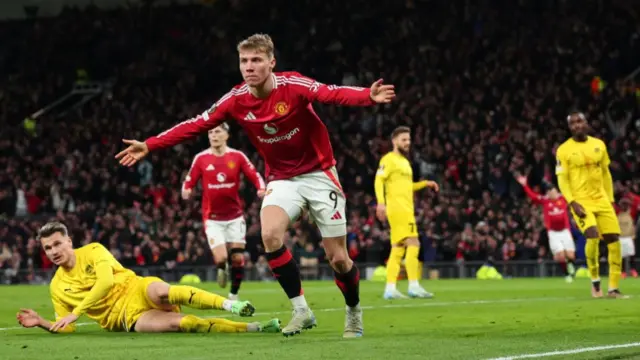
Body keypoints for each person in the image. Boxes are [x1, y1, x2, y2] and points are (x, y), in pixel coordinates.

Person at [115, 33, 395, 338]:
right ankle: (301, 310)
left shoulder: (293, 86)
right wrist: (151, 145)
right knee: (270, 235)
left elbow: (331, 92)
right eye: (244, 61)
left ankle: (353, 310)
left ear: (271, 63)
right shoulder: (235, 99)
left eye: (256, 60)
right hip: (282, 179)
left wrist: (367, 96)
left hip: (319, 174)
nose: (249, 67)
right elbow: (197, 123)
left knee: (338, 259)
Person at [17, 221, 281, 334]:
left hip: (136, 289)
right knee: (186, 324)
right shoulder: (57, 287)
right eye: (48, 248)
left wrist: (78, 312)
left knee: (164, 291)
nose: (53, 251)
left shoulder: (94, 250)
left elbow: (106, 282)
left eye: (57, 244)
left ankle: (230, 305)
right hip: (126, 318)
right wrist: (42, 321)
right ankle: (255, 327)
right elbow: (69, 326)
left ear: (69, 241)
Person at [182, 123, 266, 299]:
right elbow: (189, 179)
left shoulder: (237, 156)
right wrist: (187, 189)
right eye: (211, 132)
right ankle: (222, 268)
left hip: (235, 217)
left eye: (218, 131)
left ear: (226, 135)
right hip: (212, 219)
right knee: (221, 258)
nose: (214, 135)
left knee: (237, 258)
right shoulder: (201, 158)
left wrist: (260, 188)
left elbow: (254, 174)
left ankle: (233, 294)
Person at [555, 111, 625, 298]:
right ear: (569, 127)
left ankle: (613, 288)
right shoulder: (563, 150)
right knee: (592, 237)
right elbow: (563, 180)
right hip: (581, 201)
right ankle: (595, 283)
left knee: (614, 241)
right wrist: (572, 202)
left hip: (602, 200)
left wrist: (610, 199)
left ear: (586, 123)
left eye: (580, 122)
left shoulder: (599, 145)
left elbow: (605, 174)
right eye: (573, 123)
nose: (577, 126)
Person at [374, 126, 437, 299]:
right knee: (414, 243)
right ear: (394, 141)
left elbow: (407, 187)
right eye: (403, 140)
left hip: (405, 208)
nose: (407, 143)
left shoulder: (405, 162)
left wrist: (425, 184)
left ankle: (390, 288)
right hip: (398, 208)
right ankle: (414, 285)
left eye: (408, 140)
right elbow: (379, 180)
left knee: (397, 248)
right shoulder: (389, 159)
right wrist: (380, 203)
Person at [515, 175, 576, 282]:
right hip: (553, 233)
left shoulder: (563, 198)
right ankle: (566, 274)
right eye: (551, 192)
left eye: (554, 191)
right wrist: (525, 185)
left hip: (565, 230)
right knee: (560, 256)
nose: (553, 194)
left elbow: (573, 192)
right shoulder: (545, 201)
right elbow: (533, 196)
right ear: (548, 193)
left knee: (571, 255)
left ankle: (570, 264)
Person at [616, 198, 637, 278]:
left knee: (631, 255)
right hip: (621, 237)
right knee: (621, 256)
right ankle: (623, 271)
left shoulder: (630, 214)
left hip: (629, 237)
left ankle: (632, 270)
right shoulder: (618, 216)